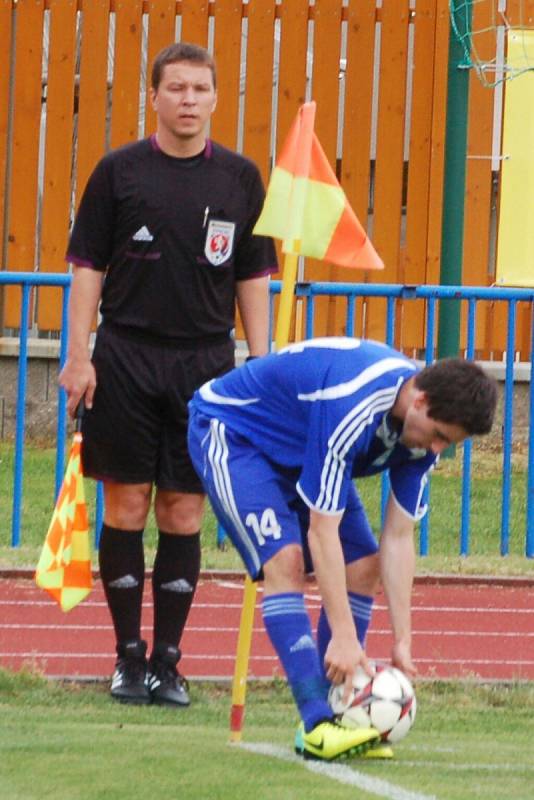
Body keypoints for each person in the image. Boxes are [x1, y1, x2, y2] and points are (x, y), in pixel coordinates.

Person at [58, 42, 277, 707]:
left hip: (206, 364)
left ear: (215, 99)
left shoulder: (240, 179)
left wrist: (260, 366)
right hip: (124, 356)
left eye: (199, 89)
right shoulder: (118, 172)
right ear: (154, 97)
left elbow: (253, 275)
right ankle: (127, 658)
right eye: (175, 88)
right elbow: (86, 266)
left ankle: (169, 662)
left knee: (184, 509)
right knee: (125, 504)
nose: (187, 100)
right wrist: (77, 354)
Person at [187, 337, 497, 761]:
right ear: (420, 398)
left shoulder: (420, 443)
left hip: (300, 456)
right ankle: (317, 724)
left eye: (450, 443)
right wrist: (346, 639)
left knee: (363, 567)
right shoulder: (353, 405)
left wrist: (402, 640)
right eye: (440, 435)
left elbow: (399, 537)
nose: (438, 449)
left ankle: (345, 715)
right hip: (236, 437)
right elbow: (322, 530)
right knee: (286, 561)